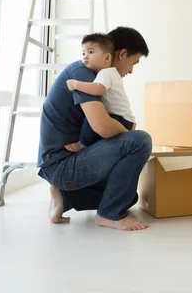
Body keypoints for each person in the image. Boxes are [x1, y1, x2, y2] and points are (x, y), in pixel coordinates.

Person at [37, 27, 152, 231]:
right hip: (63, 165)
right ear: (122, 54)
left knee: (129, 196)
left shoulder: (97, 76)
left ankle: (63, 197)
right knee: (141, 140)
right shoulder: (84, 74)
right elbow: (103, 128)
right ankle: (108, 215)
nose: (131, 71)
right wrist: (130, 135)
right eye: (133, 63)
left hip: (66, 162)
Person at [64, 33, 136, 152]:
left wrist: (76, 84)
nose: (85, 56)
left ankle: (83, 144)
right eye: (83, 53)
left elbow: (98, 89)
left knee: (92, 118)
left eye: (91, 52)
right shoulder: (111, 73)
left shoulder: (106, 73)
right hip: (126, 120)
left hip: (120, 119)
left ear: (107, 58)